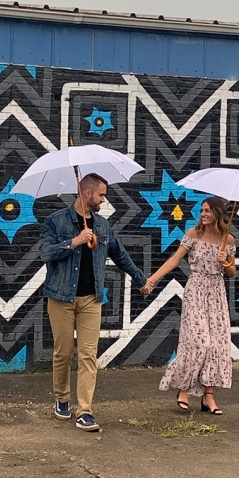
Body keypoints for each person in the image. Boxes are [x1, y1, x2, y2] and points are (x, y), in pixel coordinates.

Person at [40, 172, 150, 432]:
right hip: (60, 298)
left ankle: (85, 411)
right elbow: (45, 253)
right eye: (101, 195)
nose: (103, 199)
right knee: (63, 353)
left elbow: (120, 255)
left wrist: (141, 280)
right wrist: (74, 242)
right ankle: (62, 399)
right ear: (87, 193)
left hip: (92, 300)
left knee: (88, 355)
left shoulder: (102, 225)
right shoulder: (55, 221)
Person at [144, 196, 236, 415]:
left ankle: (208, 396)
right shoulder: (194, 234)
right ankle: (183, 388)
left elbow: (232, 272)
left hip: (217, 292)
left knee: (217, 344)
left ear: (218, 214)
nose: (203, 214)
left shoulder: (228, 240)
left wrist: (225, 262)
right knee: (199, 341)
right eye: (202, 210)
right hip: (196, 290)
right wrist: (151, 280)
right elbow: (174, 261)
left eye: (208, 211)